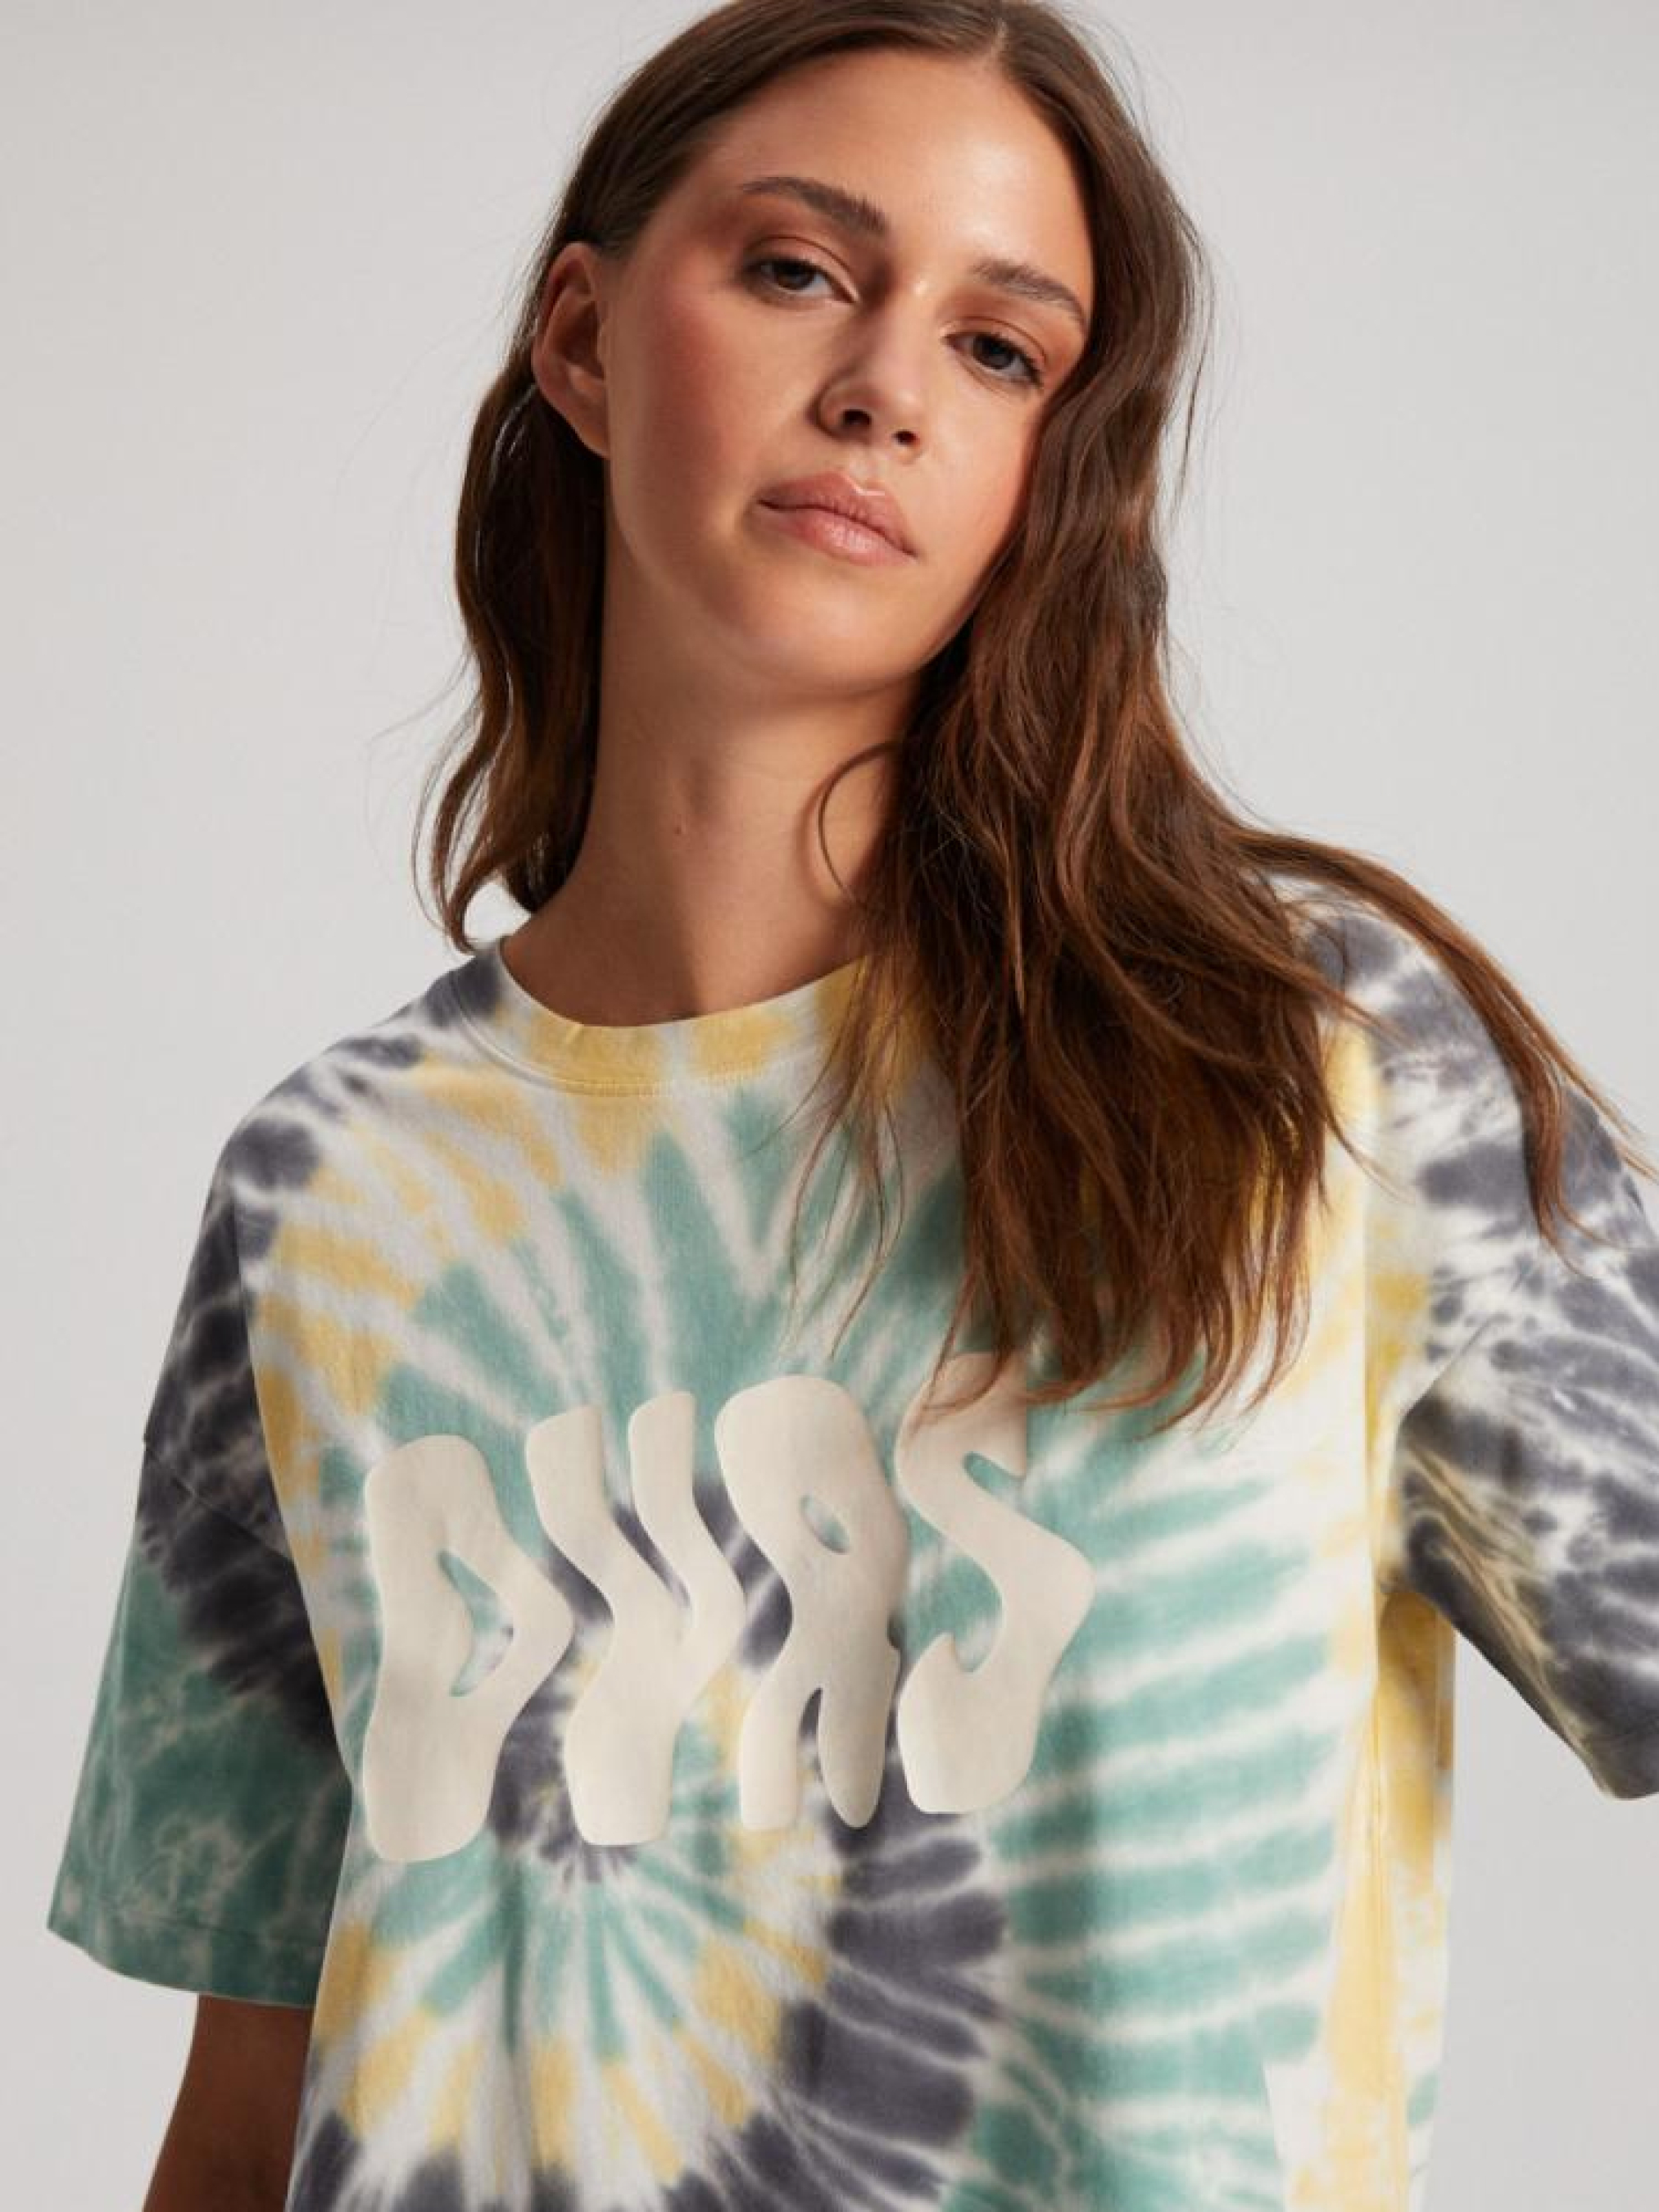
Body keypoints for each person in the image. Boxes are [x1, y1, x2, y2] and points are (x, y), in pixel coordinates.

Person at [45, 2, 1659, 2208]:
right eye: (800, 269)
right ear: (584, 340)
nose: (887, 384)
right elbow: (247, 2108)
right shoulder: (328, 1189)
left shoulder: (1315, 1068)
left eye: (999, 349)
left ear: (1046, 462)